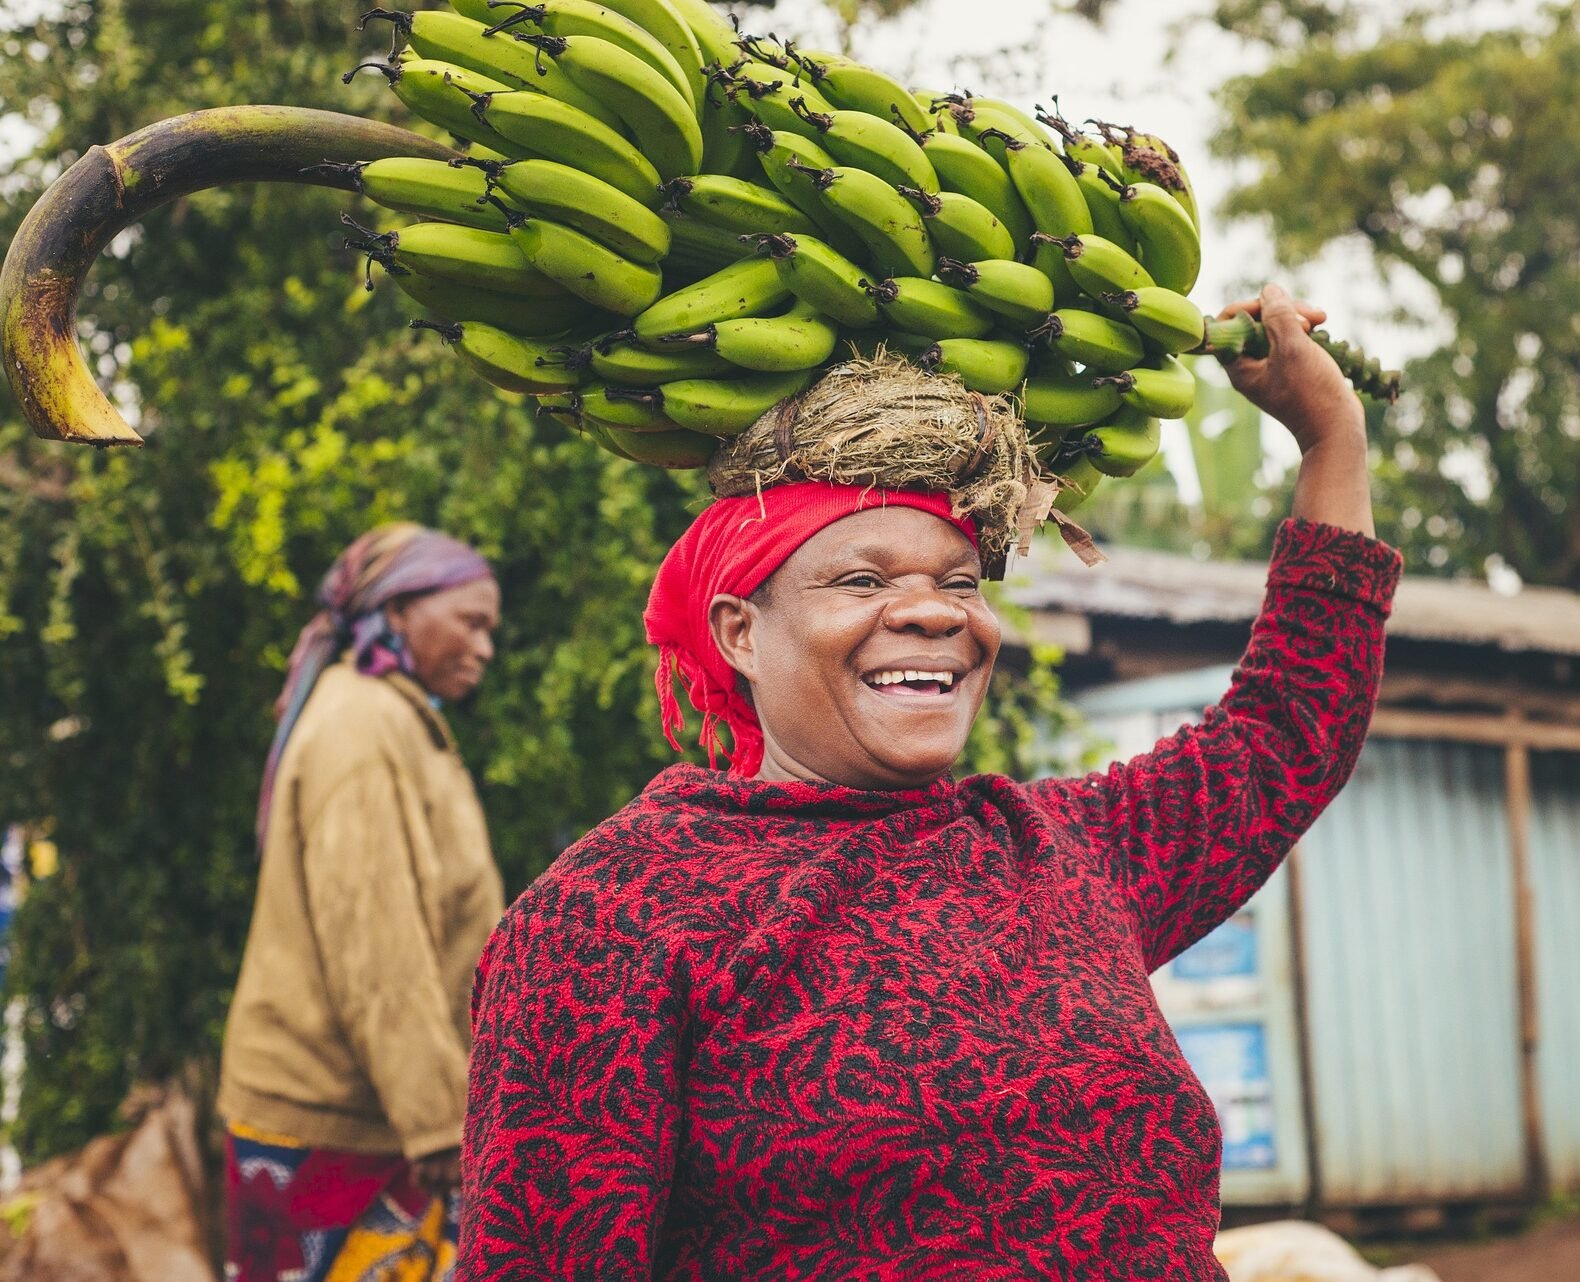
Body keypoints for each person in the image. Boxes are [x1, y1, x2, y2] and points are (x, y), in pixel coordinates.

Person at [460, 285, 1401, 1279]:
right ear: (740, 631)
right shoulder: (614, 915)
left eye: (958, 581)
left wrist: (1330, 435)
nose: (933, 613)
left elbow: (1286, 729)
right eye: (862, 582)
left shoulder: (1059, 848)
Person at [218, 522, 504, 1282]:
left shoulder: (394, 715)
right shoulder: (362, 727)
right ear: (400, 610)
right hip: (337, 1121)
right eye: (470, 623)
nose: (484, 648)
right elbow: (378, 948)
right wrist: (439, 1124)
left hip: (368, 1113)